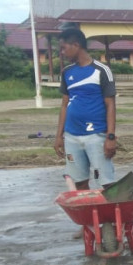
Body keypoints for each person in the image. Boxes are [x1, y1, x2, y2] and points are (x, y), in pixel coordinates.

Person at [54, 28, 117, 189]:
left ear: (76, 45)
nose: (62, 52)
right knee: (80, 182)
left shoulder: (102, 70)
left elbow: (110, 105)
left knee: (106, 183)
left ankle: (108, 214)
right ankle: (89, 214)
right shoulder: (67, 72)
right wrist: (59, 136)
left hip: (96, 135)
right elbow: (64, 104)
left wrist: (110, 137)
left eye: (63, 47)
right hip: (71, 136)